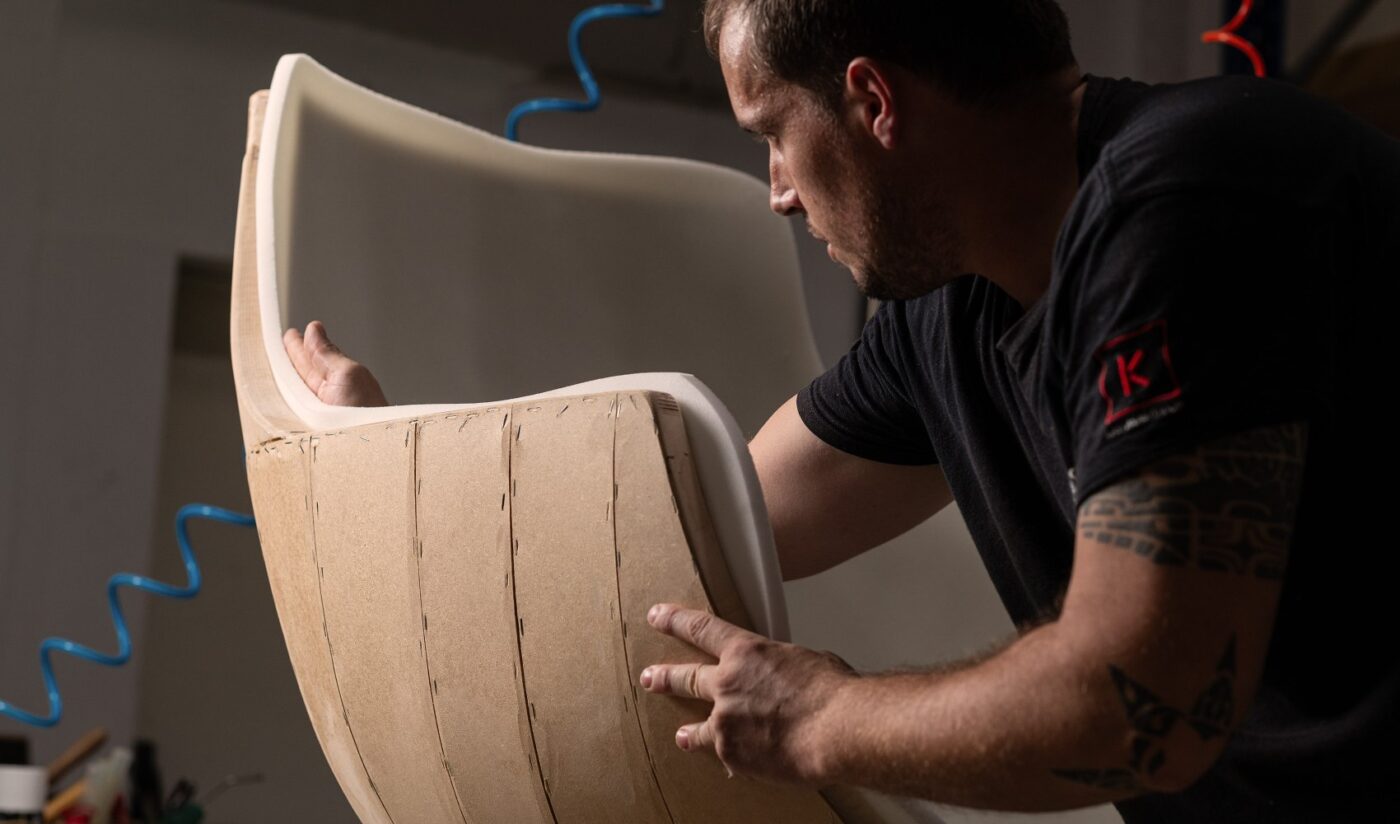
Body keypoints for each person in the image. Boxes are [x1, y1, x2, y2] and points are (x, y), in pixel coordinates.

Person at [285, 1, 1400, 820]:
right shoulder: (947, 314)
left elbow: (1139, 698)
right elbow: (678, 530)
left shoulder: (1194, 199)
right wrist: (389, 450)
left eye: (770, 128)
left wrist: (821, 718)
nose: (775, 185)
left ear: (871, 100)